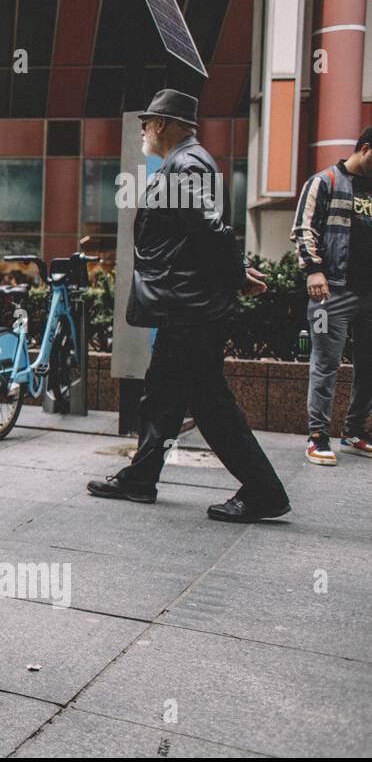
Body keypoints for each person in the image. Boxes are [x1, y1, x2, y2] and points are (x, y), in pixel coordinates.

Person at [87, 89, 290, 523]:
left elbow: (208, 230)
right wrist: (235, 274)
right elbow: (200, 234)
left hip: (192, 311)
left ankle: (264, 491)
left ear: (161, 124)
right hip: (187, 307)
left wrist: (236, 275)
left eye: (147, 122)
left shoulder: (187, 163)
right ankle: (141, 478)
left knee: (210, 402)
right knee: (162, 396)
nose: (143, 130)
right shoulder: (183, 162)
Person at [291, 126, 372, 464]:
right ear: (366, 149)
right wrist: (313, 268)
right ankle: (317, 435)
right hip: (331, 293)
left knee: (369, 367)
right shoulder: (325, 181)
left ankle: (354, 432)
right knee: (326, 363)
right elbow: (303, 228)